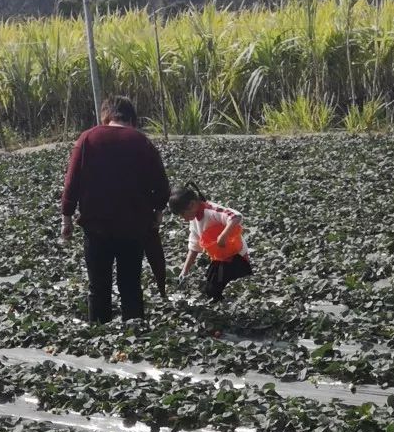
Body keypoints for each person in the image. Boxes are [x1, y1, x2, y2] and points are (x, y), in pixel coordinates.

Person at [60, 96, 170, 323]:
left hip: (96, 227)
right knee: (130, 284)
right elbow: (161, 186)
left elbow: (72, 182)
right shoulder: (142, 142)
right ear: (132, 119)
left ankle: (99, 336)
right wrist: (157, 213)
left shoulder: (88, 138)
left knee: (98, 285)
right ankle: (135, 335)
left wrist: (67, 218)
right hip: (133, 228)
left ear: (106, 116)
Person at [170, 184, 254, 304]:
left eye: (183, 214)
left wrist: (223, 235)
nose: (183, 218)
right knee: (211, 289)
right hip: (220, 257)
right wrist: (184, 271)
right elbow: (194, 246)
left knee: (228, 289)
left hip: (236, 255)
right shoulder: (194, 220)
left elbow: (236, 216)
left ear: (192, 204)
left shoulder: (210, 210)